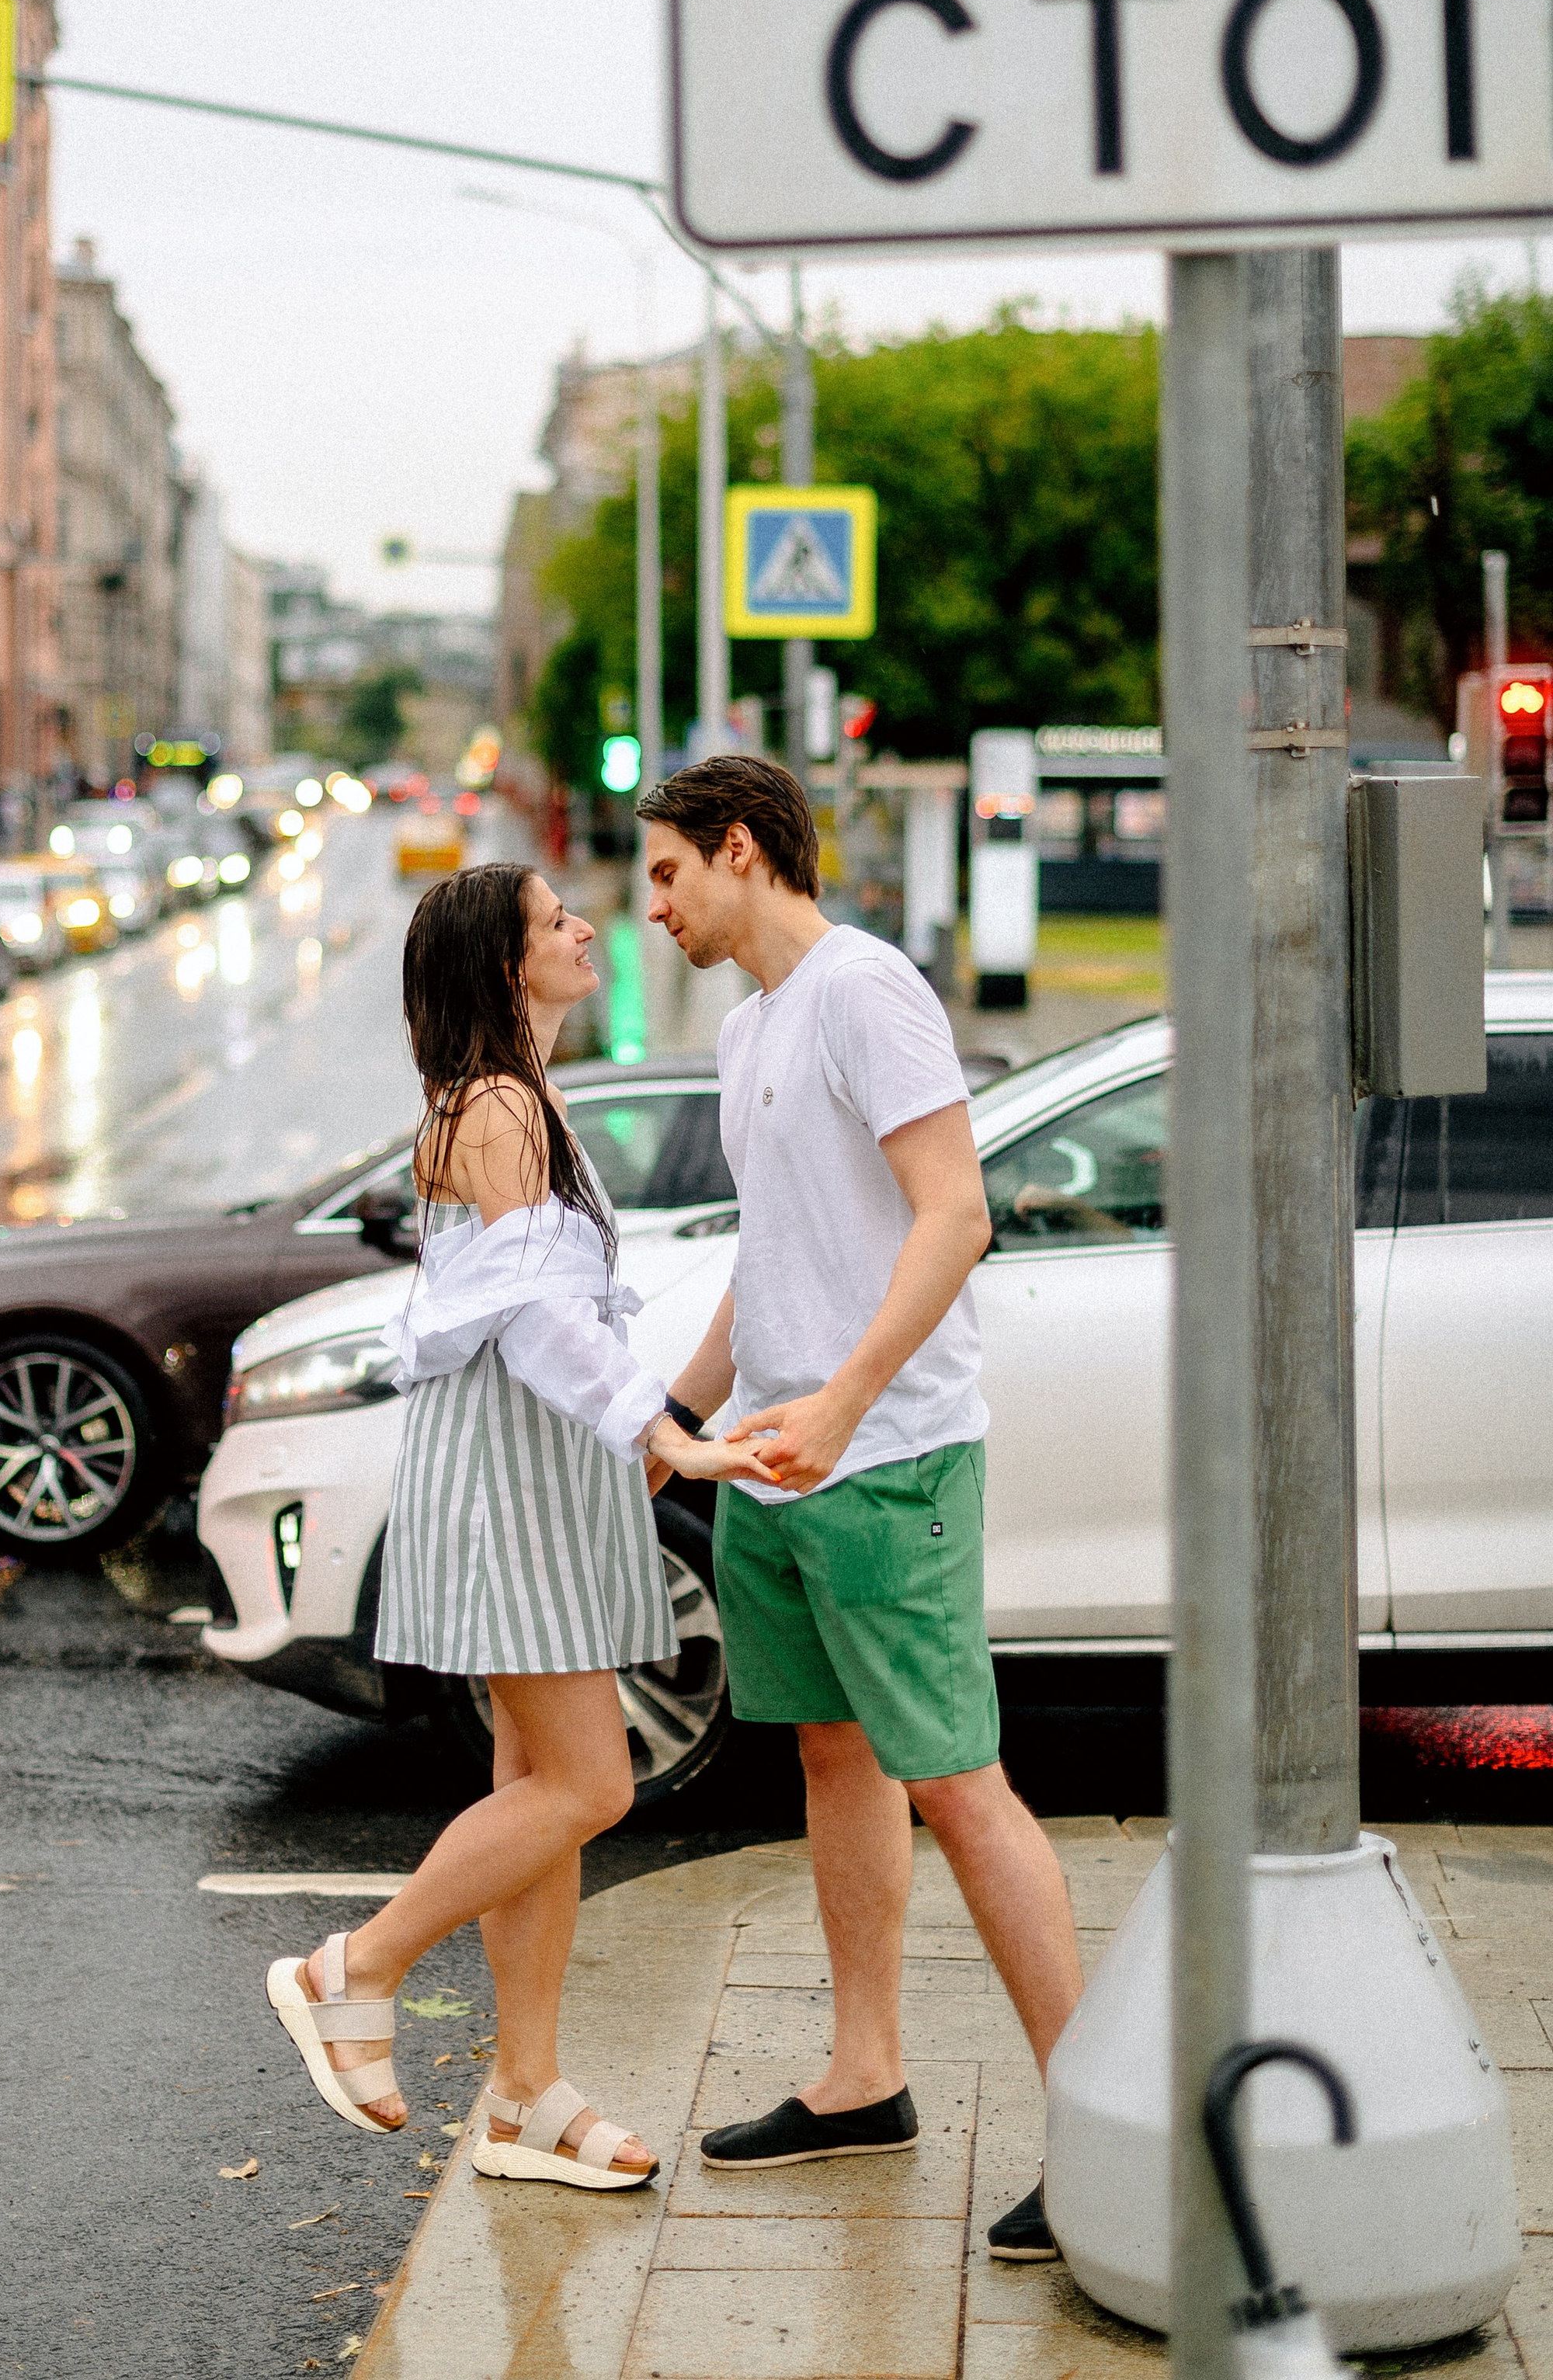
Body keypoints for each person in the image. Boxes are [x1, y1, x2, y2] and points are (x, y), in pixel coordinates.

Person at [268, 860, 774, 2192]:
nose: (586, 928)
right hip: (514, 1466)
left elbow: (540, 1307)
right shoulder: (499, 1107)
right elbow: (539, 1323)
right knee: (591, 1785)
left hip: (532, 1460)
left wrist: (640, 1425)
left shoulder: (511, 1098)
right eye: (557, 921)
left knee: (537, 1791)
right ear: (507, 965)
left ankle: (525, 2096)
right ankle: (353, 1966)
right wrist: (657, 1426)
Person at [638, 754, 1084, 2262]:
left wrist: (838, 1402)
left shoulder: (864, 989)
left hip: (882, 1456)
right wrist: (686, 1411)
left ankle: (1099, 2140)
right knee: (835, 1758)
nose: (653, 909)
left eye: (665, 874)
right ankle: (863, 2073)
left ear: (743, 850)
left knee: (957, 1781)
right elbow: (774, 1255)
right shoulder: (747, 1021)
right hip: (776, 1459)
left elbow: (955, 1212)